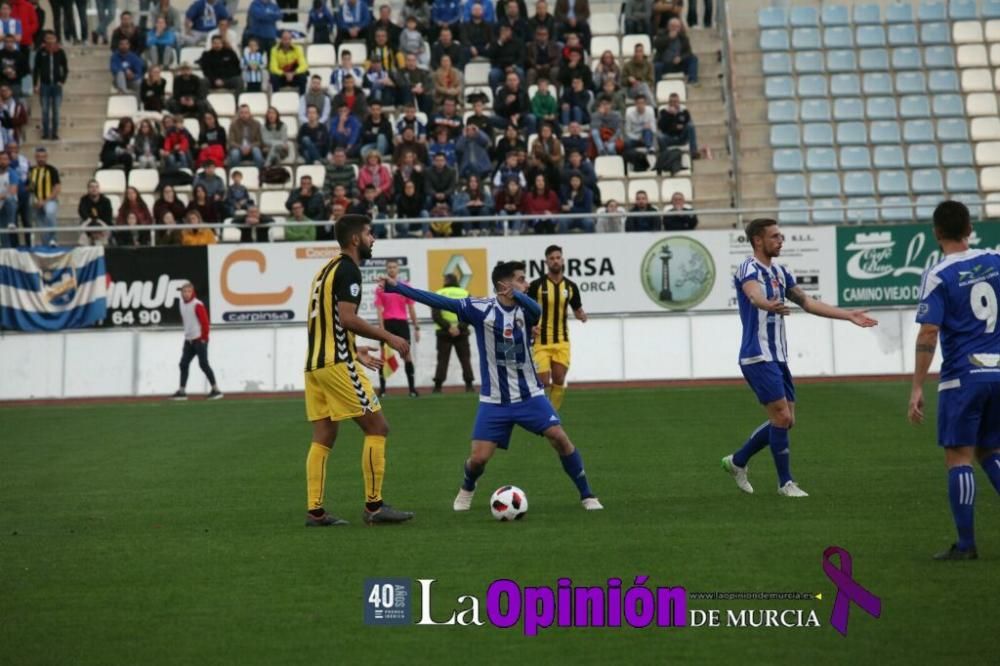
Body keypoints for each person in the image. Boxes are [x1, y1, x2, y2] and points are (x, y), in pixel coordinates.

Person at [380, 261, 603, 511]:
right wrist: (398, 288)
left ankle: (587, 494)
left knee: (560, 438)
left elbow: (536, 311)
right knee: (478, 459)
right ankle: (467, 486)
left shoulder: (526, 310)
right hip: (494, 400)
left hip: (530, 394)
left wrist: (518, 293)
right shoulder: (480, 309)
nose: (527, 284)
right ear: (503, 285)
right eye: (521, 279)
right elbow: (438, 301)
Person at [722, 219, 878, 498]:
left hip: (778, 355)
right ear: (758, 241)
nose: (781, 241)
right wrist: (764, 303)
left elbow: (807, 303)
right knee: (781, 416)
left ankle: (737, 461)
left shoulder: (781, 272)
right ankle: (786, 484)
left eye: (781, 236)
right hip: (757, 355)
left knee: (786, 420)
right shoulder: (749, 267)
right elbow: (752, 293)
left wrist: (848, 316)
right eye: (774, 236)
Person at [302, 214, 414, 526]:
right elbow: (348, 318)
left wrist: (355, 349)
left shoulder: (325, 269)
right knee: (377, 428)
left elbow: (325, 319)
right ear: (355, 239)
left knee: (324, 434)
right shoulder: (349, 269)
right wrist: (389, 337)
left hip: (315, 364)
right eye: (369, 233)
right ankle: (375, 507)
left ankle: (315, 511)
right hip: (336, 364)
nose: (373, 239)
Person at [908, 201, 1000, 560]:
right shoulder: (995, 260)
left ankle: (966, 545)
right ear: (969, 228)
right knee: (990, 450)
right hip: (999, 371)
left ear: (936, 233)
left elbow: (929, 332)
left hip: (964, 376)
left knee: (959, 457)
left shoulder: (938, 274)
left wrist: (917, 386)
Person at [527, 244, 586, 409]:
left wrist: (581, 315)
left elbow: (577, 308)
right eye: (551, 258)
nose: (555, 261)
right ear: (546, 262)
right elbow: (526, 309)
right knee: (543, 381)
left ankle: (552, 415)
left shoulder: (571, 287)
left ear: (563, 260)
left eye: (558, 258)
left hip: (562, 340)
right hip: (541, 341)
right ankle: (540, 409)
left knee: (559, 379)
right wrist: (531, 326)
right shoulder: (536, 285)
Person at [374, 259, 421, 397]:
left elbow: (411, 308)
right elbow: (379, 309)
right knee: (384, 356)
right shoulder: (381, 288)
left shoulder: (405, 286)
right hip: (387, 324)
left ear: (398, 269)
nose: (392, 269)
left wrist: (416, 327)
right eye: (389, 267)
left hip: (402, 324)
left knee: (407, 355)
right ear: (386, 269)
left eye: (394, 267)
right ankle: (382, 390)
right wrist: (381, 329)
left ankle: (412, 389)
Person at [170, 282, 223, 401]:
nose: (186, 294)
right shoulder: (181, 304)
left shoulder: (197, 304)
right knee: (183, 364)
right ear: (181, 293)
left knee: (203, 364)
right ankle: (182, 391)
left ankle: (216, 389)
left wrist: (204, 338)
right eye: (184, 291)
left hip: (199, 340)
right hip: (188, 340)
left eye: (188, 291)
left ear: (192, 292)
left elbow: (205, 323)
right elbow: (186, 320)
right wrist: (187, 335)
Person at [33, 30, 66, 140]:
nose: (50, 41)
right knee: (45, 110)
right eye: (48, 38)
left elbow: (65, 68)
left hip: (56, 86)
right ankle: (46, 132)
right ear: (45, 39)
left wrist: (62, 81)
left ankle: (55, 133)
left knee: (56, 110)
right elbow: (36, 69)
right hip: (44, 85)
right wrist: (35, 84)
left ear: (55, 39)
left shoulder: (60, 52)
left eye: (52, 38)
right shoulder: (41, 52)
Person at [268, 30, 308, 94]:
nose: (287, 41)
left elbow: (304, 66)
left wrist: (293, 73)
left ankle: (302, 99)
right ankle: (276, 99)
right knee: (273, 77)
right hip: (282, 76)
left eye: (289, 39)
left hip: (294, 75)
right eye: (285, 39)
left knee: (303, 77)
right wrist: (285, 74)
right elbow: (273, 68)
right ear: (281, 39)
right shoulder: (274, 50)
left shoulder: (298, 49)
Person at [227, 104, 264, 168]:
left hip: (252, 148)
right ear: (239, 114)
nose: (244, 115)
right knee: (235, 154)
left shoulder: (256, 124)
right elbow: (231, 142)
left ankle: (260, 174)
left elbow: (259, 141)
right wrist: (241, 147)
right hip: (238, 148)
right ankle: (236, 175)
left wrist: (250, 147)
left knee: (257, 153)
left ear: (250, 113)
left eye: (246, 113)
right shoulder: (234, 124)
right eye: (242, 113)